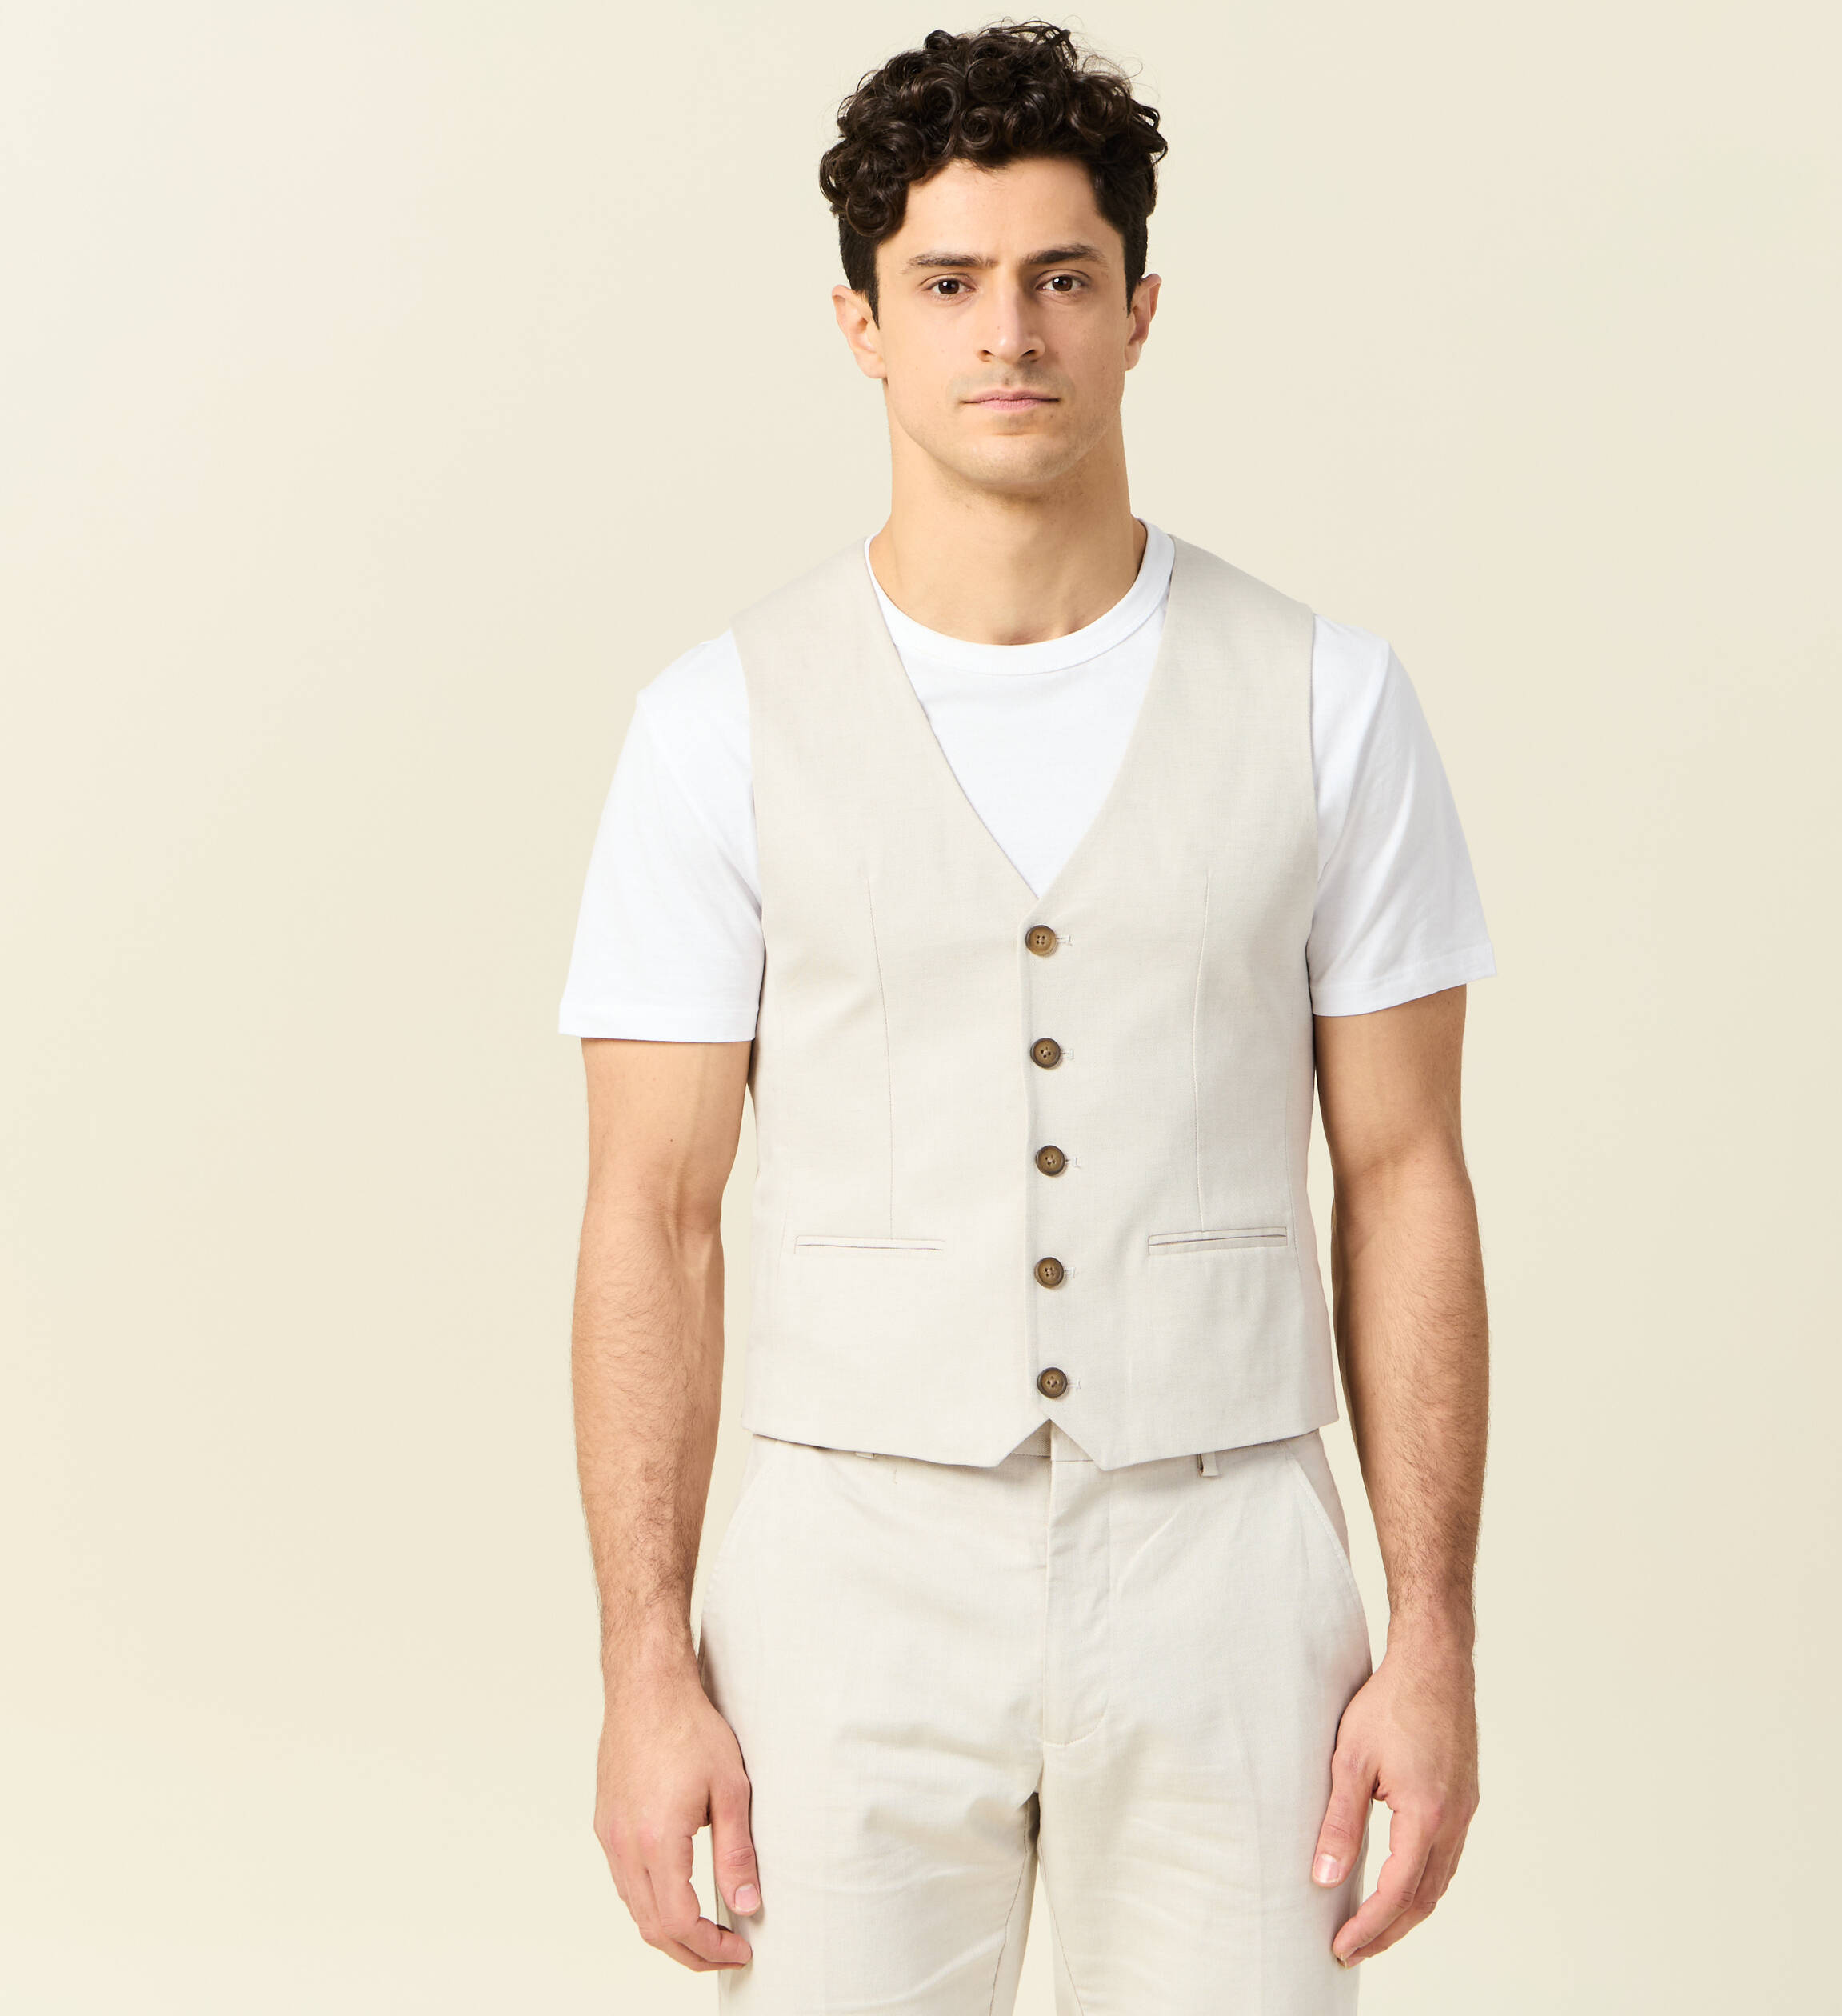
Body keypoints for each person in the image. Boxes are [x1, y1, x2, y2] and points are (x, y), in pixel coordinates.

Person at [558, 21, 1493, 2010]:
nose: (1009, 333)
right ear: (861, 324)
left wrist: (1432, 1639)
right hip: (845, 1571)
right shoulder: (715, 726)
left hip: (1230, 1563)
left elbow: (1407, 1171)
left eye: (1063, 277)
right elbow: (653, 1213)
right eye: (949, 284)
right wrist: (646, 1663)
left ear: (1140, 310)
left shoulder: (1329, 700)